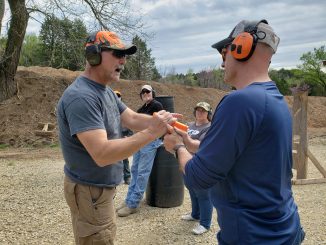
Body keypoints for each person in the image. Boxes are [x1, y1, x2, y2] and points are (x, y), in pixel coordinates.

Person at [164, 20, 305, 244]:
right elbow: (243, 154)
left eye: (224, 53)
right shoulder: (276, 100)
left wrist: (177, 147)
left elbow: (198, 178)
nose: (222, 63)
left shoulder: (239, 102)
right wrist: (189, 143)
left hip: (254, 236)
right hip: (283, 229)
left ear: (242, 47)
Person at [57, 31, 175, 245]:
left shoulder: (105, 91)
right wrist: (152, 132)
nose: (123, 60)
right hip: (90, 191)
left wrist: (163, 122)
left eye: (125, 55)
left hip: (97, 190)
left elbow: (130, 118)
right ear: (94, 56)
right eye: (117, 54)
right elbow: (102, 154)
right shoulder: (82, 97)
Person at [117, 85, 163, 217]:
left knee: (142, 172)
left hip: (151, 141)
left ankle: (133, 204)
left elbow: (157, 124)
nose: (145, 93)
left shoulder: (156, 105)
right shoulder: (142, 109)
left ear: (152, 93)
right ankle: (128, 199)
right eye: (143, 92)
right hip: (141, 141)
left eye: (147, 91)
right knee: (135, 170)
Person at [181, 102, 213, 235]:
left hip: (201, 165)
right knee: (192, 190)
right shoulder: (189, 125)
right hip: (186, 163)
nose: (200, 112)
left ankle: (205, 223)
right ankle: (195, 214)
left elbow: (200, 145)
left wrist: (184, 140)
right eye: (198, 110)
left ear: (208, 114)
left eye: (203, 111)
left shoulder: (210, 127)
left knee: (203, 194)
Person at [114, 90, 132, 185]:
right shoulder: (107, 110)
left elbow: (131, 124)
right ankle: (116, 177)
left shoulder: (125, 111)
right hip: (112, 139)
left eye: (118, 96)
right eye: (115, 96)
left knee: (124, 159)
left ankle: (127, 177)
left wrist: (128, 136)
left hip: (123, 138)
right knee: (113, 159)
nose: (117, 97)